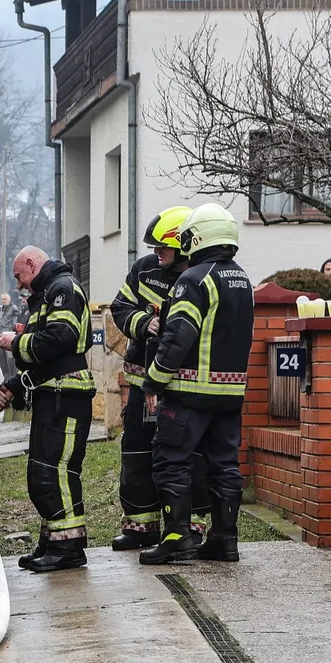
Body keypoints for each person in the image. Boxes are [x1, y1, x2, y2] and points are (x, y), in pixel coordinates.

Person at [139, 203, 254, 565]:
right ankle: (225, 540)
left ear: (198, 236)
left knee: (170, 461)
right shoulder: (243, 279)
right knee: (224, 465)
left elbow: (178, 337)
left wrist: (153, 382)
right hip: (230, 395)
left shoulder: (194, 279)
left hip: (190, 392)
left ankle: (177, 538)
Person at [108, 207, 212, 550]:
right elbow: (120, 306)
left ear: (182, 245)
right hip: (141, 383)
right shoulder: (144, 270)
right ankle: (140, 526)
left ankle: (188, 527)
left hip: (181, 387)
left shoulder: (200, 275)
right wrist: (142, 322)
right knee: (136, 452)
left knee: (187, 458)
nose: (156, 252)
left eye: (162, 247)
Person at [0, 246, 96, 572]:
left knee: (58, 471)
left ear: (30, 263)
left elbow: (60, 339)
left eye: (18, 276)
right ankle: (53, 541)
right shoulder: (49, 293)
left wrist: (16, 343)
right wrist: (12, 383)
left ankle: (69, 549)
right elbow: (43, 358)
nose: (19, 284)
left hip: (67, 395)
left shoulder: (64, 289)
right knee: (42, 473)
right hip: (53, 394)